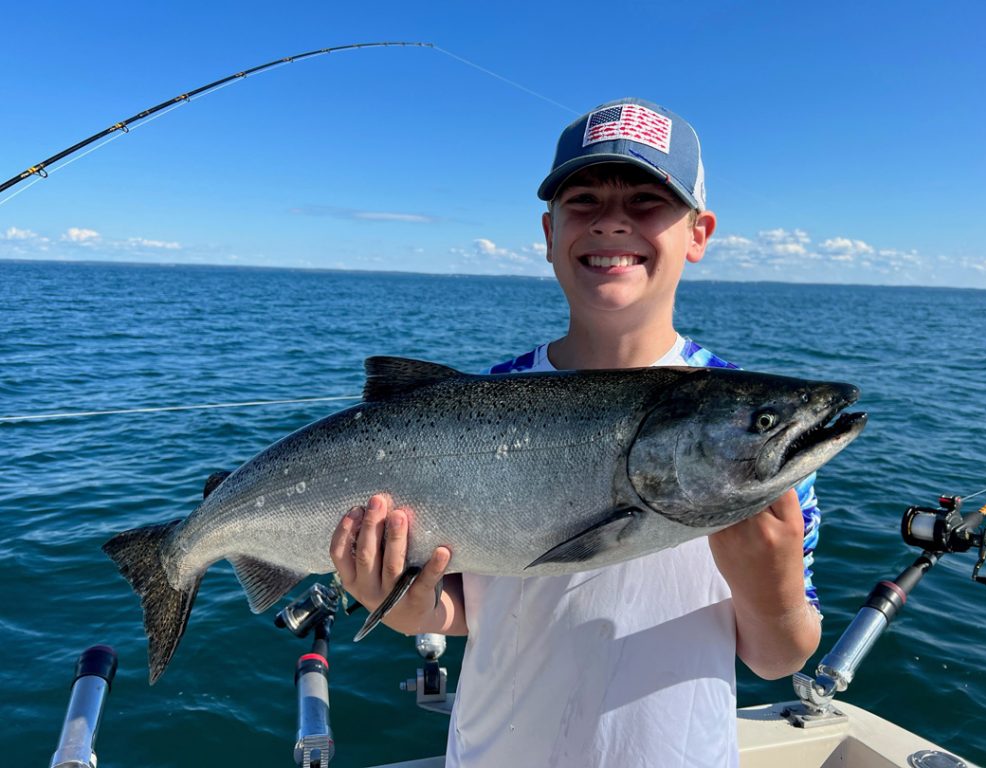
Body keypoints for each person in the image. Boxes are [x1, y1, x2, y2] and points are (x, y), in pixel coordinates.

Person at [330, 97, 823, 767]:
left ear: (698, 233)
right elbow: (476, 604)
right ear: (549, 231)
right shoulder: (487, 395)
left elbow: (777, 657)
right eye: (584, 199)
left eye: (648, 201)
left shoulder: (748, 424)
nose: (612, 221)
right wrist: (406, 605)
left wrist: (772, 587)